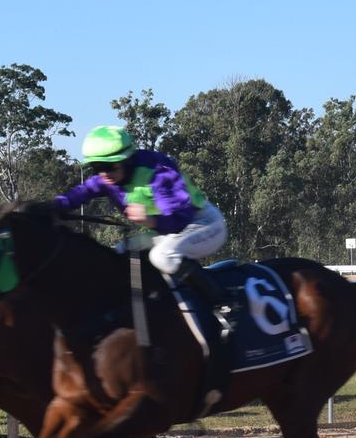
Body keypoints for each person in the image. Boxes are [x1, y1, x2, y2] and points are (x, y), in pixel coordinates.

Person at [54, 125, 229, 306]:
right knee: (118, 253)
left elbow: (179, 221)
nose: (104, 174)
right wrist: (50, 207)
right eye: (96, 167)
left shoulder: (158, 172)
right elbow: (79, 193)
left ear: (127, 160)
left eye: (109, 166)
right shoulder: (106, 178)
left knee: (163, 256)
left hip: (204, 224)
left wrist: (149, 220)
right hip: (167, 233)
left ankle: (224, 304)